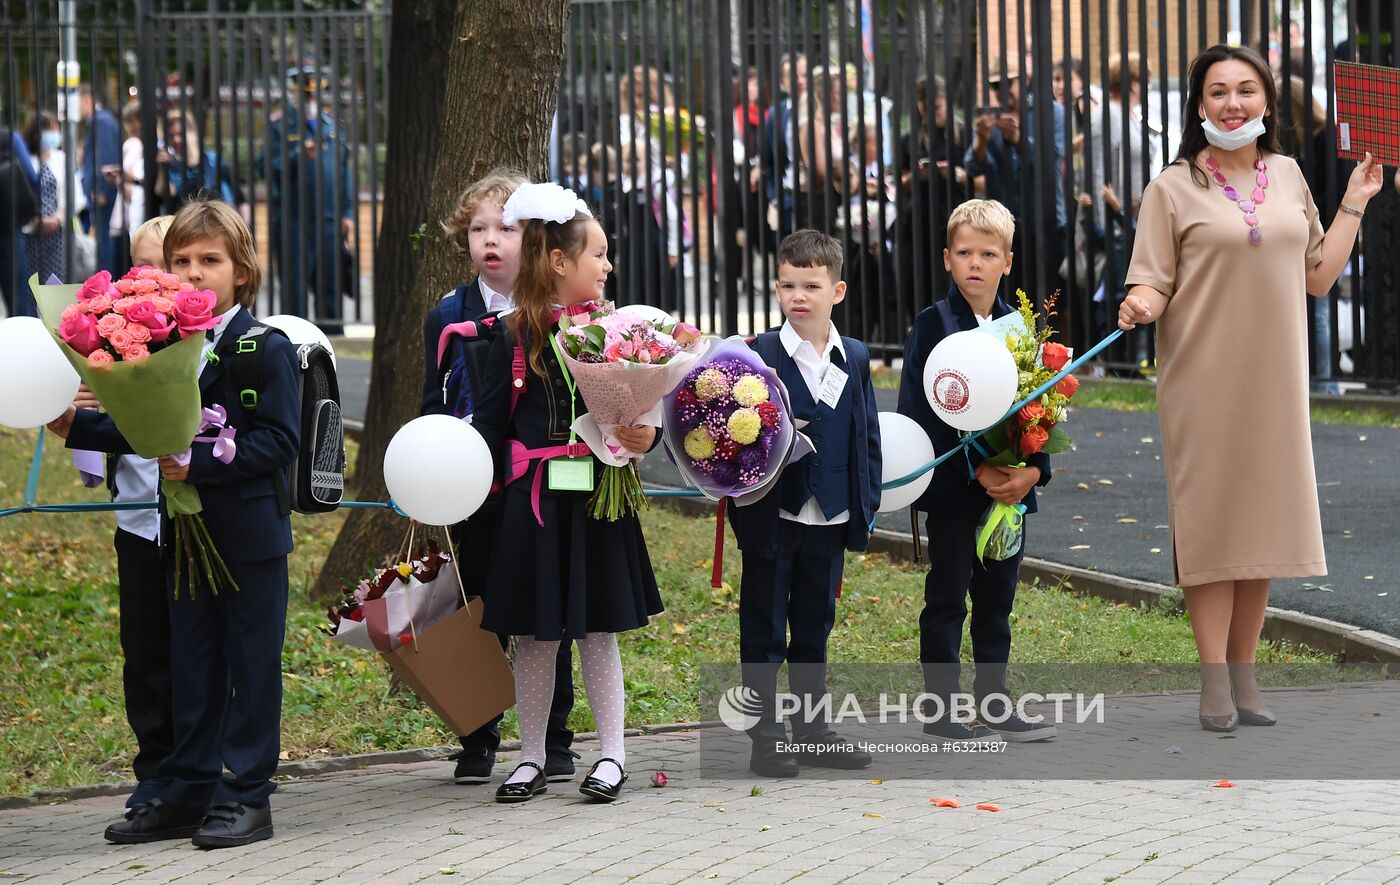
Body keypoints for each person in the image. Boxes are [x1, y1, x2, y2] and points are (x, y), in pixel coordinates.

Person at [1119, 44, 1383, 732]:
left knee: (1262, 524)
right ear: (1199, 105)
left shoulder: (1292, 174)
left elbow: (1318, 275)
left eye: (1244, 90)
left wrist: (1354, 201)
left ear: (1266, 100)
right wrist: (1142, 303)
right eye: (1217, 92)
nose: (1231, 103)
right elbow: (1151, 276)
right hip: (1202, 381)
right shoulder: (1172, 186)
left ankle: (1245, 671)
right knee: (1213, 526)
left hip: (1276, 379)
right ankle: (1213, 680)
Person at [49, 199, 300, 846]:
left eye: (209, 261)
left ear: (242, 271)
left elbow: (279, 440)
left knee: (250, 662)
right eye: (181, 261)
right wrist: (78, 424)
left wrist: (203, 466)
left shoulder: (263, 347)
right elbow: (148, 427)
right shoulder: (169, 345)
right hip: (184, 536)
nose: (192, 274)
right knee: (193, 663)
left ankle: (247, 792)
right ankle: (187, 787)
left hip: (248, 536)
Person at [471, 182, 662, 804]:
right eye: (598, 255)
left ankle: (612, 755)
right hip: (535, 504)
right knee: (535, 634)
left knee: (598, 629)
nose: (608, 266)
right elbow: (493, 426)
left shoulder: (622, 335)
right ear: (559, 262)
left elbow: (644, 419)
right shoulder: (509, 336)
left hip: (596, 499)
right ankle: (529, 757)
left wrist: (643, 433)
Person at [419, 171, 578, 786]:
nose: (491, 241)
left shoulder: (558, 312)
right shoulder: (448, 315)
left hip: (536, 483)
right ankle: (478, 735)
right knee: (479, 603)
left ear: (533, 239)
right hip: (472, 485)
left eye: (506, 229)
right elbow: (434, 398)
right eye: (479, 228)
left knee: (547, 603)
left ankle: (556, 739)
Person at [896, 199, 1056, 744]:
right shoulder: (932, 325)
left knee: (997, 600)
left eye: (988, 253)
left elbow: (1041, 406)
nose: (976, 263)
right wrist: (977, 467)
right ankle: (940, 708)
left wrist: (1033, 471)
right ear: (947, 258)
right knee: (947, 596)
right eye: (964, 252)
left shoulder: (1020, 327)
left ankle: (994, 702)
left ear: (1007, 262)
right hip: (956, 493)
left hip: (1010, 493)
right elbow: (922, 412)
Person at [726, 229, 881, 778]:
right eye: (788, 285)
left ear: (836, 291)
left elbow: (866, 437)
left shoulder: (854, 356)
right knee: (764, 624)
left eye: (811, 285)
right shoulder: (758, 354)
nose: (799, 296)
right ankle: (766, 734)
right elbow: (729, 438)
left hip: (831, 514)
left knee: (815, 624)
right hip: (775, 512)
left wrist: (863, 510)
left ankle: (813, 729)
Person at [69, 215, 175, 812]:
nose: (151, 276)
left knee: (198, 647)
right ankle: (154, 766)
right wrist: (90, 398)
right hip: (136, 518)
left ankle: (201, 763)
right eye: (140, 263)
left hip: (198, 519)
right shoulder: (112, 335)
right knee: (145, 647)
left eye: (166, 262)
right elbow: (109, 425)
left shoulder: (202, 340)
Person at [262, 66, 354, 332]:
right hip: (294, 222)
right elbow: (265, 167)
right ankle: (295, 340)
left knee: (330, 285)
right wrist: (298, 154)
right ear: (293, 93)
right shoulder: (279, 127)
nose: (310, 102)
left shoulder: (333, 125)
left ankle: (334, 340)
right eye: (305, 96)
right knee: (295, 288)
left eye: (314, 97)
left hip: (329, 220)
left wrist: (347, 212)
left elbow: (344, 171)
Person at [964, 58, 1067, 294]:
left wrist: (1019, 139)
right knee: (1008, 304)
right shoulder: (992, 119)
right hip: (1003, 229)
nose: (1001, 91)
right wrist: (981, 140)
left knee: (1051, 302)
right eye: (995, 86)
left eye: (1008, 83)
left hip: (1045, 224)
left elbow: (1053, 159)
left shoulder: (1051, 112)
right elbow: (972, 167)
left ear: (1026, 81)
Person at [156, 111, 249, 222]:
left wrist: (244, 228)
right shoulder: (171, 165)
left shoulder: (214, 160)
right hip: (187, 230)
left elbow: (239, 197)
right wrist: (162, 169)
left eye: (180, 134)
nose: (176, 140)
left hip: (220, 226)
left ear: (194, 132)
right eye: (171, 136)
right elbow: (164, 193)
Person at [22, 112, 77, 285]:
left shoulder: (60, 158)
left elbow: (73, 193)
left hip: (56, 232)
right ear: (38, 133)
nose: (55, 134)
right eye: (51, 129)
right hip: (29, 231)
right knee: (31, 284)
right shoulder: (25, 160)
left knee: (55, 283)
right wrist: (36, 219)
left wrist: (58, 218)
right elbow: (20, 195)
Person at [78, 84, 123, 274]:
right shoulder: (101, 120)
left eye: (78, 102)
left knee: (103, 243)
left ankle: (106, 286)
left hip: (102, 194)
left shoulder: (101, 121)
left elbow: (105, 158)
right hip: (101, 192)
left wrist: (101, 189)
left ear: (88, 100)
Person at [1, 123, 39, 316]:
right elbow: (31, 176)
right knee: (16, 294)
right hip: (8, 223)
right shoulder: (8, 137)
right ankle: (19, 340)